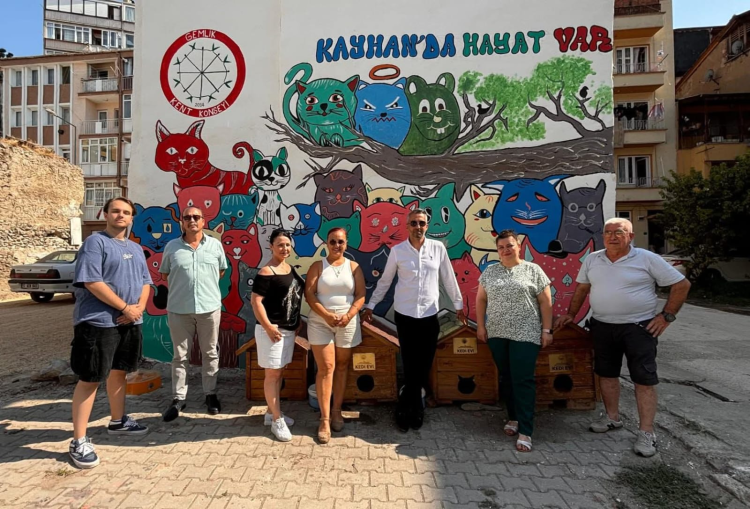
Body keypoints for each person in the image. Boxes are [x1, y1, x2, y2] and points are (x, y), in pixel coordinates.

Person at [554, 218, 690, 457]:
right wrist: (571, 314)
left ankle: (646, 432)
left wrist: (666, 316)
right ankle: (612, 418)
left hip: (639, 328)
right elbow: (582, 289)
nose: (613, 237)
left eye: (619, 232)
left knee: (643, 379)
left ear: (631, 236)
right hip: (602, 326)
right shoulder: (593, 259)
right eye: (608, 233)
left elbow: (681, 284)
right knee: (606, 374)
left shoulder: (646, 258)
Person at [363, 208, 466, 432]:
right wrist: (371, 305)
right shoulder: (398, 251)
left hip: (429, 314)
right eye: (413, 223)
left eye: (421, 223)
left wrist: (458, 306)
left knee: (424, 362)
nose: (417, 227)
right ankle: (410, 408)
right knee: (410, 362)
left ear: (426, 226)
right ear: (407, 226)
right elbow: (385, 281)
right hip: (405, 314)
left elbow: (449, 278)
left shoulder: (438, 248)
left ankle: (408, 402)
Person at [68, 197, 151, 469]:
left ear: (131, 218)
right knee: (91, 378)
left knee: (119, 372)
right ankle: (79, 440)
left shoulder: (136, 248)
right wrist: (125, 307)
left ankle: (118, 421)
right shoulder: (95, 243)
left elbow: (146, 282)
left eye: (126, 212)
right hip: (98, 323)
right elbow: (92, 282)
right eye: (115, 211)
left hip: (130, 322)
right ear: (105, 214)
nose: (120, 215)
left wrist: (138, 308)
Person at [475, 230, 553, 453]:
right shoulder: (490, 272)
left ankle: (526, 431)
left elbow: (546, 302)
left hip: (526, 334)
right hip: (497, 333)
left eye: (509, 245)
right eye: (501, 247)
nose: (505, 250)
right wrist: (481, 326)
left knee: (523, 380)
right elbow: (481, 299)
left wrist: (546, 330)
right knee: (507, 377)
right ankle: (514, 418)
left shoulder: (533, 270)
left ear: (518, 246)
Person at [160, 206, 228, 421]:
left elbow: (221, 271)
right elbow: (165, 274)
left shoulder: (215, 245)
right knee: (180, 356)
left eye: (196, 217)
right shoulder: (172, 247)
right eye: (187, 217)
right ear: (182, 221)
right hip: (179, 309)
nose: (192, 220)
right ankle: (178, 398)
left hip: (209, 308)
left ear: (203, 221)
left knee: (210, 353)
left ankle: (210, 394)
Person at [304, 227, 366, 443]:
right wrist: (327, 315)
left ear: (346, 244)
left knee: (341, 366)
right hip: (320, 322)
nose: (336, 245)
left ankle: (337, 410)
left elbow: (360, 295)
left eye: (340, 242)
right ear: (326, 244)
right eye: (332, 241)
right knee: (326, 368)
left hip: (347, 322)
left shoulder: (354, 267)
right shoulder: (317, 266)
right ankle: (324, 419)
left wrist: (349, 315)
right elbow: (309, 294)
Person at [250, 229, 305, 442]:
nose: (284, 248)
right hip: (273, 332)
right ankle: (276, 420)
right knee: (272, 375)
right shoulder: (267, 271)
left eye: (287, 245)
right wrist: (268, 327)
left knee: (278, 372)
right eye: (280, 244)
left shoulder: (288, 268)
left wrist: (297, 321)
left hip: (287, 330)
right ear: (271, 246)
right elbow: (256, 301)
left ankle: (270, 413)